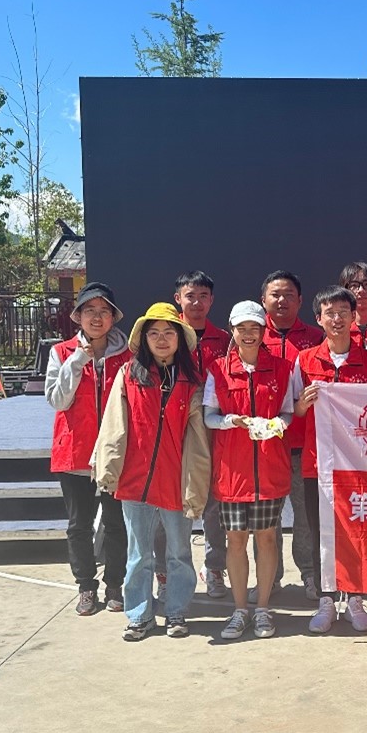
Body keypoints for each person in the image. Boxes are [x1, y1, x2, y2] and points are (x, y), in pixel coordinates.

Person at [94, 303, 210, 641]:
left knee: (179, 553)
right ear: (144, 338)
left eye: (169, 332)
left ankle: (176, 611)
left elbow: (198, 441)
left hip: (175, 481)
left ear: (180, 338)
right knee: (138, 555)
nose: (161, 339)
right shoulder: (128, 375)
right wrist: (108, 469)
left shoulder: (191, 382)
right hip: (135, 481)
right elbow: (113, 425)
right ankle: (140, 616)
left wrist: (196, 484)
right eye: (154, 333)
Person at [293, 286, 367, 633]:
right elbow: (293, 410)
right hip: (317, 464)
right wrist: (304, 403)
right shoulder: (305, 360)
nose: (337, 319)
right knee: (321, 532)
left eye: (343, 313)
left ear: (354, 317)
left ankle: (356, 598)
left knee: (358, 530)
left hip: (357, 466)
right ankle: (326, 600)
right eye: (329, 313)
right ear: (318, 319)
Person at [206, 301, 297, 640]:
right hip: (233, 471)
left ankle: (262, 609)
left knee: (267, 538)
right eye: (241, 328)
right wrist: (231, 421)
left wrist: (278, 424)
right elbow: (209, 416)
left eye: (254, 328)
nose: (248, 334)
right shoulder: (218, 370)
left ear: (263, 331)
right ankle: (239, 609)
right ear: (232, 331)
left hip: (269, 470)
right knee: (235, 540)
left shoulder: (283, 369)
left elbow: (288, 411)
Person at [45, 282, 132, 616]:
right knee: (79, 525)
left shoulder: (128, 355)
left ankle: (115, 586)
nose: (97, 318)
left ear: (113, 317)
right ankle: (85, 587)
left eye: (104, 311)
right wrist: (78, 360)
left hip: (115, 453)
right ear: (78, 316)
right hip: (74, 452)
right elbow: (57, 400)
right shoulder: (61, 352)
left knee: (116, 524)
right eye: (90, 311)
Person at [152, 271, 229, 602]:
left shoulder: (224, 340)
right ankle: (164, 573)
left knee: (214, 508)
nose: (196, 302)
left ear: (211, 300)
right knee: (165, 506)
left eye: (203, 296)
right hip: (170, 433)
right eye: (190, 296)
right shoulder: (166, 336)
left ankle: (214, 569)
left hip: (210, 434)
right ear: (178, 299)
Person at [260, 270, 325, 600]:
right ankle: (269, 576)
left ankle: (310, 573)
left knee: (305, 517)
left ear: (300, 300)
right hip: (265, 446)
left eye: (288, 295)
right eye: (275, 294)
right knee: (267, 519)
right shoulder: (252, 336)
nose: (281, 300)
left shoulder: (316, 337)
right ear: (264, 300)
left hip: (305, 444)